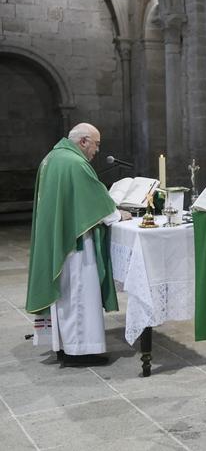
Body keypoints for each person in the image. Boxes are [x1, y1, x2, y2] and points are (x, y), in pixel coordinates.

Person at [26, 123, 132, 367]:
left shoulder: (52, 158)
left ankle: (63, 345)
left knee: (64, 298)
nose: (96, 150)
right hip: (75, 245)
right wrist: (117, 215)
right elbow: (94, 200)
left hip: (58, 238)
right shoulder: (75, 164)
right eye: (96, 144)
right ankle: (82, 351)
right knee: (79, 294)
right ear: (83, 141)